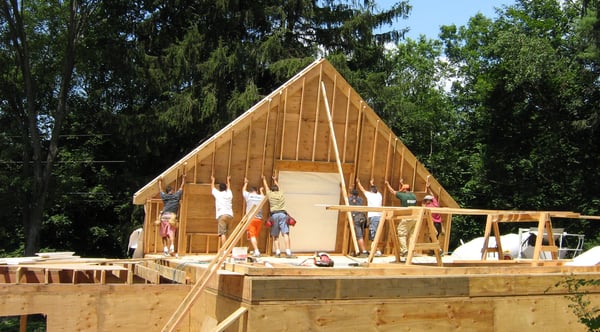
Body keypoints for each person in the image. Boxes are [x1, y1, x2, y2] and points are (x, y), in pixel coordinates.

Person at [262, 175, 294, 258]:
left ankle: (278, 252)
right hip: (283, 215)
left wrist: (264, 179)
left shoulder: (270, 194)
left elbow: (266, 187)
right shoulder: (281, 193)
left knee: (276, 235)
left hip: (274, 215)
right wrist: (275, 180)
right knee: (285, 234)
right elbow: (279, 187)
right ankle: (288, 252)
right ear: (278, 190)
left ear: (272, 190)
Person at [385, 179, 417, 258]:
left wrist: (387, 184)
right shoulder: (413, 195)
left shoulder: (403, 195)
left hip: (406, 217)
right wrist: (402, 184)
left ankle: (404, 251)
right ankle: (411, 251)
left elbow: (393, 192)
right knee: (412, 235)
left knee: (401, 233)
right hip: (415, 218)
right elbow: (407, 190)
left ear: (404, 190)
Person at [158, 174, 185, 256]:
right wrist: (184, 179)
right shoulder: (176, 196)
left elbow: (160, 190)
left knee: (163, 233)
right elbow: (181, 187)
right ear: (172, 191)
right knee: (171, 232)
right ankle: (172, 247)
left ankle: (165, 249)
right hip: (172, 216)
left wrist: (159, 182)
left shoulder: (165, 196)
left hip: (164, 216)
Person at [356, 178, 383, 257]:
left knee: (372, 235)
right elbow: (374, 189)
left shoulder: (370, 195)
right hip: (379, 217)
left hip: (373, 217)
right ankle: (375, 250)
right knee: (375, 234)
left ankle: (377, 251)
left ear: (371, 191)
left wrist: (358, 182)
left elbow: (362, 189)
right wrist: (372, 183)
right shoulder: (379, 195)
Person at [243, 177, 265, 257]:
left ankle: (256, 250)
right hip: (259, 219)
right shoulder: (261, 197)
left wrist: (246, 183)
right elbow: (264, 197)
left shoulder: (248, 195)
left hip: (251, 219)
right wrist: (262, 191)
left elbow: (243, 191)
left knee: (252, 235)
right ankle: (256, 250)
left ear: (250, 191)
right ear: (257, 191)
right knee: (255, 235)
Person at [211, 175, 233, 247]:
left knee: (223, 233)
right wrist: (228, 180)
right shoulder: (229, 194)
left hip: (222, 215)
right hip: (230, 215)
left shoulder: (218, 194)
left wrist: (213, 180)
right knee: (228, 233)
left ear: (219, 188)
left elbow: (212, 188)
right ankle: (229, 249)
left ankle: (224, 250)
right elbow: (229, 188)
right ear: (226, 188)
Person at [348, 188, 369, 257]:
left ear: (351, 194)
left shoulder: (350, 200)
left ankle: (364, 251)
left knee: (359, 236)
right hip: (362, 217)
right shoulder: (361, 199)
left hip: (356, 217)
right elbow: (356, 197)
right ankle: (359, 250)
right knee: (361, 235)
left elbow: (346, 197)